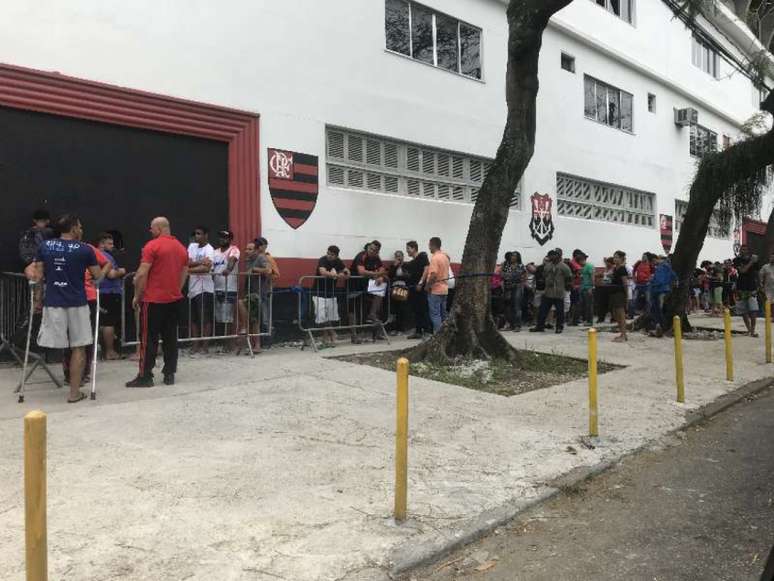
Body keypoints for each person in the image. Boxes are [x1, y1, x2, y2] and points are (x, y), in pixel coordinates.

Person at [24, 214, 103, 403]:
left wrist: (37, 300)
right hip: (78, 303)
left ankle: (67, 379)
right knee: (79, 347)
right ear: (74, 228)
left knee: (60, 344)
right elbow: (97, 275)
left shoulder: (45, 246)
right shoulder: (85, 249)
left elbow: (39, 276)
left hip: (53, 302)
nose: (82, 230)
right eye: (80, 227)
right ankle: (74, 393)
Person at [126, 217, 188, 388]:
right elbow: (184, 272)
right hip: (173, 299)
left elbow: (141, 274)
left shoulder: (152, 246)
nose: (150, 231)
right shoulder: (181, 248)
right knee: (170, 338)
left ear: (159, 228)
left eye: (152, 228)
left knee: (148, 339)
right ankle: (169, 373)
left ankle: (145, 375)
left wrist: (137, 296)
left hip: (153, 300)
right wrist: (176, 289)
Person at [237, 237, 273, 353]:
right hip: (249, 291)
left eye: (250, 249)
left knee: (256, 320)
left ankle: (257, 344)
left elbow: (268, 270)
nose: (247, 251)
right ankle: (246, 330)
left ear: (257, 250)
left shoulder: (261, 257)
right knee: (243, 306)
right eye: (246, 249)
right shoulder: (248, 260)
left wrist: (254, 270)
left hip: (259, 293)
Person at [311, 245, 350, 348]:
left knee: (329, 316)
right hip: (319, 292)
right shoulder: (323, 260)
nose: (329, 256)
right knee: (322, 316)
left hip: (331, 292)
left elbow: (347, 272)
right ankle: (332, 333)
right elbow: (322, 272)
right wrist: (336, 275)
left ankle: (325, 339)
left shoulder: (338, 262)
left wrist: (344, 274)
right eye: (328, 253)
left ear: (336, 256)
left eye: (332, 255)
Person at [96, 232, 127, 360]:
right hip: (110, 292)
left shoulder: (96, 255)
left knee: (104, 322)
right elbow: (111, 274)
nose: (112, 246)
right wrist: (122, 270)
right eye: (109, 243)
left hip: (103, 292)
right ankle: (110, 352)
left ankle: (106, 351)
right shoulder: (104, 256)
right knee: (109, 323)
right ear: (101, 244)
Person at [530, 250, 572, 334]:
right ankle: (540, 326)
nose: (551, 257)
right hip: (548, 291)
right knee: (543, 310)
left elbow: (568, 277)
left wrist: (566, 288)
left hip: (559, 292)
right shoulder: (548, 266)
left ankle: (559, 327)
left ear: (557, 256)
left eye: (552, 256)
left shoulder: (564, 266)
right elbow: (544, 275)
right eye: (549, 256)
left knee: (560, 311)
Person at [187, 226, 214, 354]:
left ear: (206, 235)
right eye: (195, 234)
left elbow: (206, 269)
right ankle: (195, 345)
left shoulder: (209, 250)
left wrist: (188, 270)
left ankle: (205, 346)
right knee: (193, 319)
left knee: (205, 318)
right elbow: (186, 261)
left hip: (205, 288)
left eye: (199, 234)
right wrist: (199, 262)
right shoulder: (192, 246)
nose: (196, 236)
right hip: (192, 289)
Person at [212, 229, 241, 343]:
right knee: (219, 317)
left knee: (228, 318)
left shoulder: (234, 250)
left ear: (230, 239)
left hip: (229, 288)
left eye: (225, 237)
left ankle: (230, 343)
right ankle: (224, 342)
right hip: (216, 287)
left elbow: (232, 260)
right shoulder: (215, 252)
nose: (222, 239)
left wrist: (228, 269)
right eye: (220, 237)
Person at [405, 240, 432, 339]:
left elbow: (426, 269)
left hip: (420, 288)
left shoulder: (422, 256)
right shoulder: (412, 262)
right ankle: (418, 331)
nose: (407, 251)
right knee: (416, 310)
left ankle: (428, 331)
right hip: (413, 290)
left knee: (423, 309)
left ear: (413, 248)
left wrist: (421, 282)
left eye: (408, 248)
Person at [733, 245, 761, 337]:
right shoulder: (737, 260)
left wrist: (758, 286)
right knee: (743, 311)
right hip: (741, 288)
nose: (743, 251)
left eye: (745, 249)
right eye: (741, 249)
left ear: (748, 251)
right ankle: (749, 330)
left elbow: (757, 273)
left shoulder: (754, 260)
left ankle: (752, 330)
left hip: (752, 288)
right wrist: (751, 262)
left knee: (753, 310)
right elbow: (742, 271)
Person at [426, 237, 450, 333]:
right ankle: (444, 335)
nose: (429, 248)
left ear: (433, 245)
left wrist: (427, 286)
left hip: (435, 290)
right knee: (443, 314)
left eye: (429, 245)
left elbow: (433, 275)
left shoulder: (435, 258)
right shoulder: (445, 257)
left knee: (435, 315)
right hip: (444, 289)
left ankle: (437, 336)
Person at [650, 255, 677, 334]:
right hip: (665, 290)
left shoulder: (660, 267)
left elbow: (659, 280)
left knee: (657, 310)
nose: (654, 263)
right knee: (661, 309)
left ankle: (660, 326)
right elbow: (674, 276)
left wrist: (651, 281)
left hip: (658, 290)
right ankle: (661, 327)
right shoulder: (668, 267)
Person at [388, 250, 411, 335]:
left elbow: (408, 276)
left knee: (401, 309)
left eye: (399, 256)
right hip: (394, 288)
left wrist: (399, 277)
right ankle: (394, 329)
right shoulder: (393, 266)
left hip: (403, 288)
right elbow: (390, 275)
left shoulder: (406, 266)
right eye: (396, 256)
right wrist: (394, 266)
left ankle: (401, 329)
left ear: (403, 257)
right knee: (394, 310)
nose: (398, 258)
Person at [502, 251, 526, 331]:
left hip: (517, 287)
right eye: (512, 256)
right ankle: (510, 325)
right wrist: (510, 276)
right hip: (507, 287)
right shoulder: (506, 265)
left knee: (516, 306)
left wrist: (509, 276)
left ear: (518, 257)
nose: (512, 257)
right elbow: (502, 275)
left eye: (515, 256)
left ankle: (517, 325)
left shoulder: (521, 266)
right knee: (508, 307)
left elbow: (519, 276)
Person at [609, 251, 630, 342]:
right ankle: (622, 333)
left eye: (617, 257)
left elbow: (625, 283)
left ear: (621, 259)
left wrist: (627, 295)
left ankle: (623, 335)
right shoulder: (615, 269)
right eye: (614, 257)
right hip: (613, 292)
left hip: (620, 293)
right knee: (615, 314)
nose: (615, 259)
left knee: (621, 314)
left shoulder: (622, 269)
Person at [630, 253, 654, 318]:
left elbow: (653, 273)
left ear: (647, 258)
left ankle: (648, 315)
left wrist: (649, 280)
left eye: (645, 257)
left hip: (646, 285)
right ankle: (631, 314)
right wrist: (634, 278)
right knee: (634, 299)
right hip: (638, 284)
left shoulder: (650, 265)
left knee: (648, 300)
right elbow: (633, 271)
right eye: (643, 256)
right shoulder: (638, 263)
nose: (643, 258)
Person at [577, 252, 594, 326]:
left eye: (579, 261)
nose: (578, 263)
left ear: (583, 260)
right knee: (583, 305)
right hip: (582, 288)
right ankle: (585, 319)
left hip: (588, 288)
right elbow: (581, 277)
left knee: (589, 305)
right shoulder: (582, 267)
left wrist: (591, 287)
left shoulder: (589, 266)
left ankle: (590, 321)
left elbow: (592, 277)